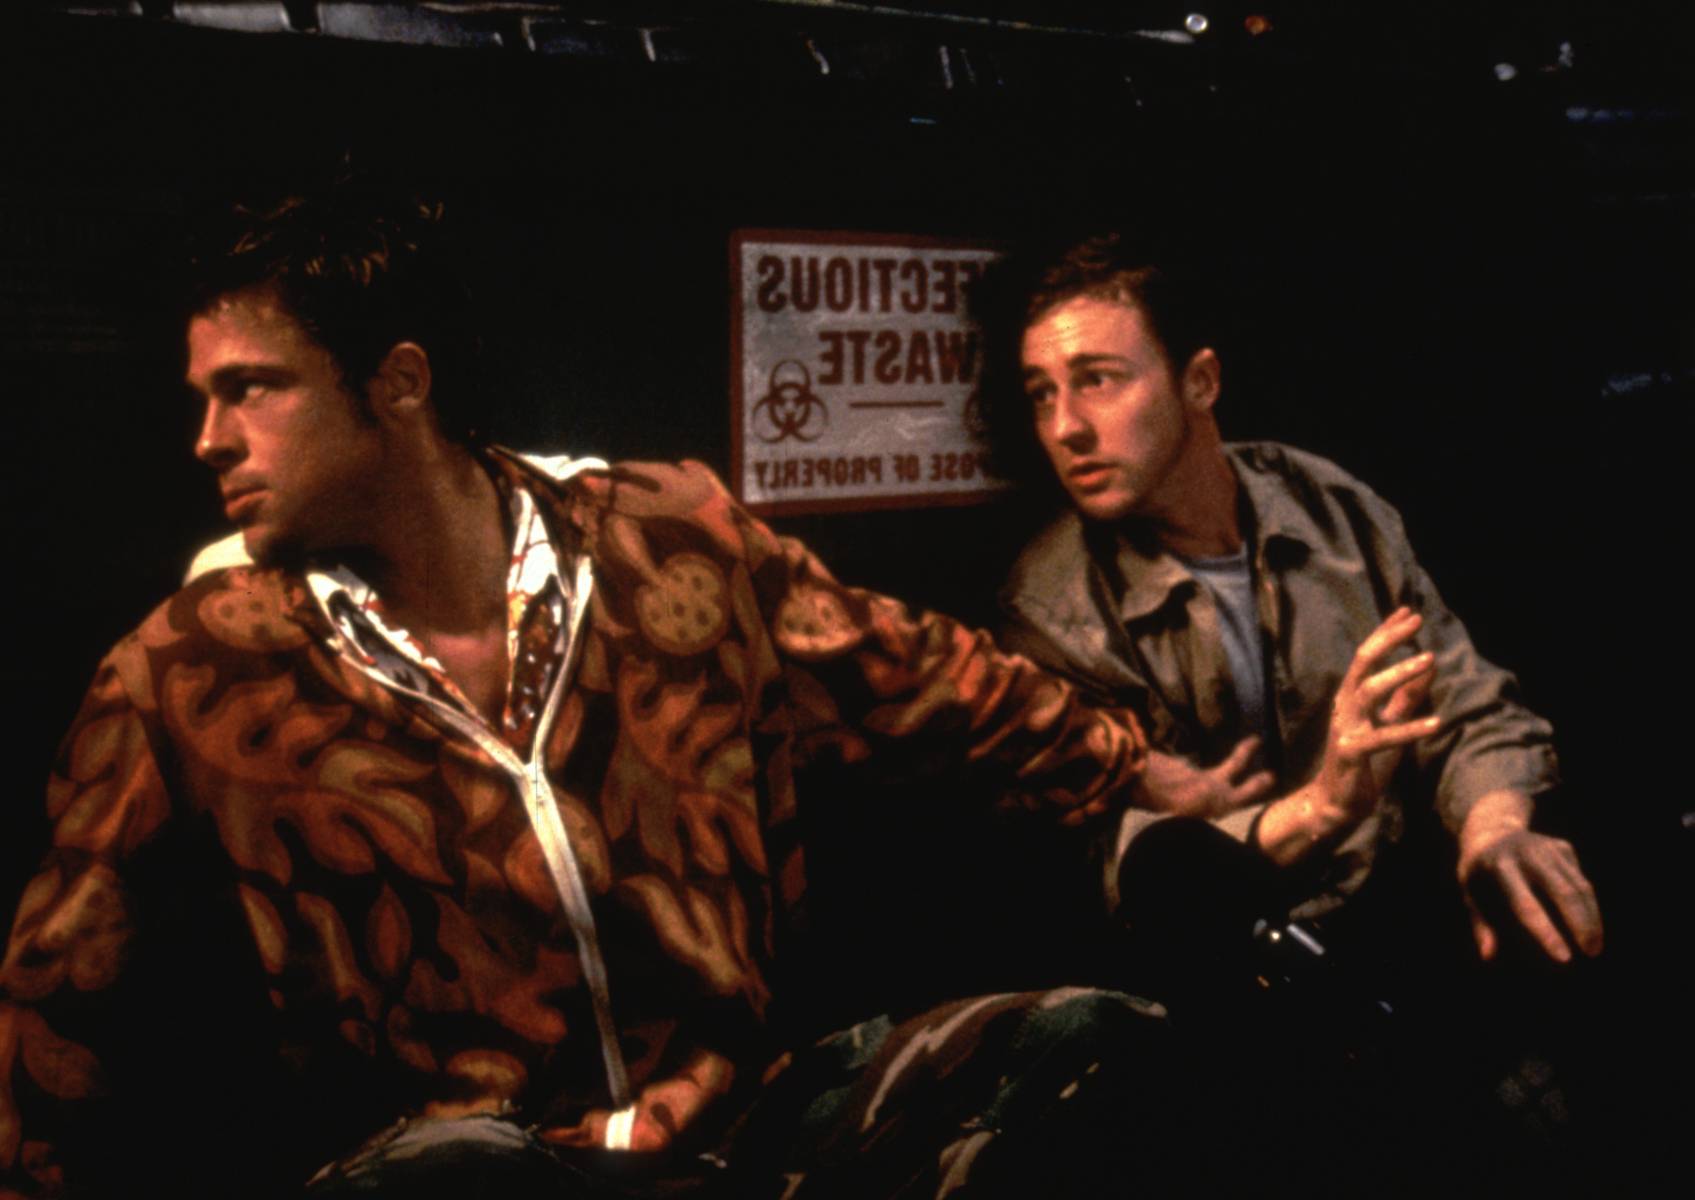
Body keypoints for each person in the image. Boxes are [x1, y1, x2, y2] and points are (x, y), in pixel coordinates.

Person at [0, 190, 1207, 1199]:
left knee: (1088, 1041)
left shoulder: (665, 540)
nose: (210, 437)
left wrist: (1145, 775)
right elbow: (58, 992)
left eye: (252, 388)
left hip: (733, 1128)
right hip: (463, 1162)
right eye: (206, 397)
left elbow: (914, 673)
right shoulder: (199, 659)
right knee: (462, 1171)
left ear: (398, 383)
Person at [977, 232, 1607, 1181]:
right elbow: (1123, 869)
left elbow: (1461, 693)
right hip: (1225, 1006)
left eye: (1097, 380)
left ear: (1199, 382)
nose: (1065, 427)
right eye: (1040, 394)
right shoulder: (1052, 606)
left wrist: (1492, 827)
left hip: (1401, 930)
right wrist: (1321, 805)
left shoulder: (1324, 505)